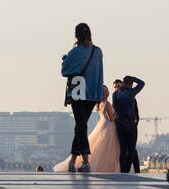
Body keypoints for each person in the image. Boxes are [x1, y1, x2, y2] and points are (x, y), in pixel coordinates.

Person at [59, 22, 104, 172]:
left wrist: (65, 61)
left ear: (76, 35)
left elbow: (64, 71)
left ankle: (85, 162)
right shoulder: (97, 52)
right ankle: (72, 161)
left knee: (80, 127)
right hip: (91, 94)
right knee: (80, 126)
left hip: (78, 93)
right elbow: (100, 75)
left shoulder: (75, 52)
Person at [54, 85, 120, 172]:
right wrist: (117, 110)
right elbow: (111, 119)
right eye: (105, 91)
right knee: (108, 151)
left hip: (102, 125)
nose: (107, 92)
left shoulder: (99, 104)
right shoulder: (107, 104)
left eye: (107, 90)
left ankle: (78, 162)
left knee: (100, 149)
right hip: (109, 127)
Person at [112, 74, 144, 173]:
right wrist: (132, 78)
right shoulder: (131, 92)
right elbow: (142, 83)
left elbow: (115, 109)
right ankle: (127, 169)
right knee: (131, 149)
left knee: (123, 149)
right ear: (131, 84)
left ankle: (122, 170)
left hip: (119, 123)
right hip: (131, 124)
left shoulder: (115, 94)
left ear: (123, 83)